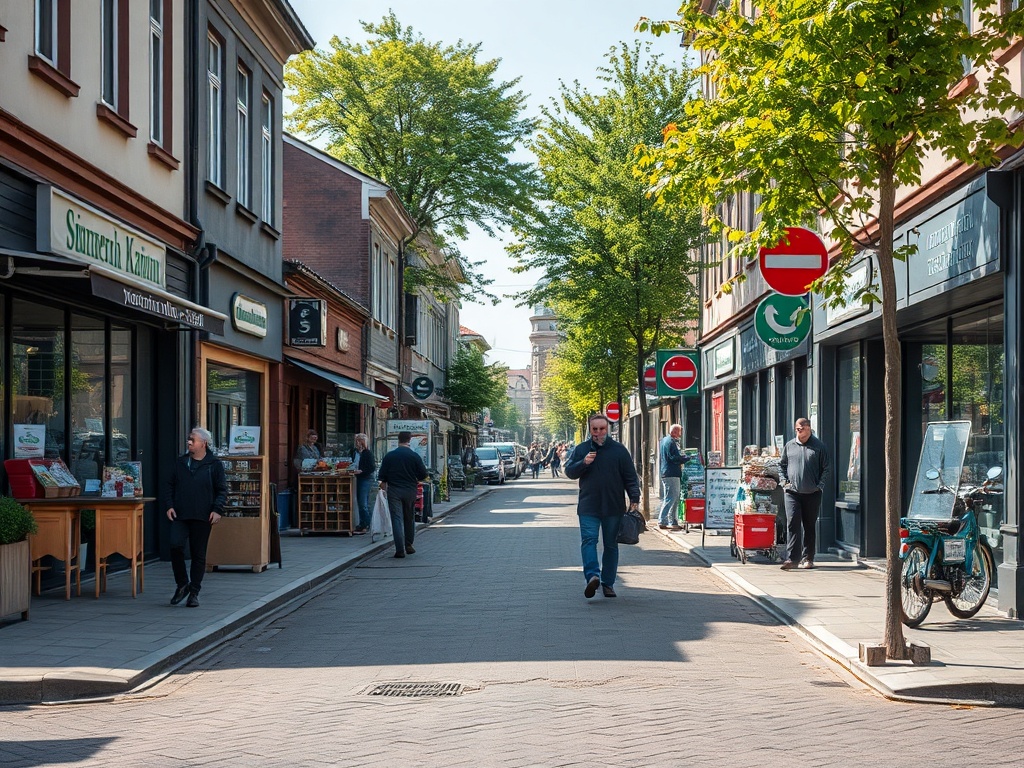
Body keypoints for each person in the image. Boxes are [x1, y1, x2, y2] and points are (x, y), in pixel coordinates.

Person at [564, 413, 641, 599]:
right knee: (589, 541)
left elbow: (630, 476)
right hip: (589, 506)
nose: (598, 433)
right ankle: (592, 576)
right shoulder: (582, 449)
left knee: (611, 545)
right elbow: (569, 471)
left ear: (608, 429)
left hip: (613, 506)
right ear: (590, 430)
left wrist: (634, 498)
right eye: (595, 429)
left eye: (602, 429)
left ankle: (608, 583)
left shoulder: (619, 451)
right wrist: (584, 463)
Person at [161, 427, 227, 607]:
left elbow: (222, 490)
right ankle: (182, 584)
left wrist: (217, 509)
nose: (189, 442)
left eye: (193, 440)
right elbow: (168, 485)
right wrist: (169, 505)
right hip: (180, 514)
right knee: (175, 545)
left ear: (204, 443)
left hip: (203, 515)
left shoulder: (214, 464)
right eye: (189, 439)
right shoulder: (181, 462)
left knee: (199, 554)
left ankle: (194, 592)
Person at [778, 417, 831, 570]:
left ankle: (808, 558)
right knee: (792, 523)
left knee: (809, 525)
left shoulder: (819, 446)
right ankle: (792, 559)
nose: (799, 431)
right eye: (797, 429)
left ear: (809, 428)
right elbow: (782, 465)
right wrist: (784, 482)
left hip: (812, 493)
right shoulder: (789, 446)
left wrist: (819, 485)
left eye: (802, 428)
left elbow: (826, 468)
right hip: (792, 492)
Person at [377, 431, 429, 558]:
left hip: (394, 490)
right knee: (409, 517)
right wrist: (415, 478)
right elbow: (423, 474)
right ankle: (409, 544)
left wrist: (385, 485)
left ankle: (399, 549)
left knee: (396, 519)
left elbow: (382, 476)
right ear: (409, 440)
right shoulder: (414, 456)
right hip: (410, 490)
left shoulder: (390, 456)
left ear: (398, 440)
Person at [658, 424, 689, 530]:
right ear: (675, 432)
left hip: (668, 472)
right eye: (679, 432)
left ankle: (672, 520)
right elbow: (673, 457)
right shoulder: (670, 442)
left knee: (674, 497)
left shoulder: (665, 441)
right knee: (671, 497)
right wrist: (685, 458)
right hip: (671, 473)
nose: (680, 434)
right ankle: (663, 520)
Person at [351, 433, 377, 534]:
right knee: (360, 501)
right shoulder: (355, 452)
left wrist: (361, 471)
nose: (357, 443)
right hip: (358, 478)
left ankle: (366, 524)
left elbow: (371, 467)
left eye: (359, 441)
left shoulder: (367, 453)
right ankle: (362, 523)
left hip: (365, 478)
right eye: (356, 441)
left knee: (363, 502)